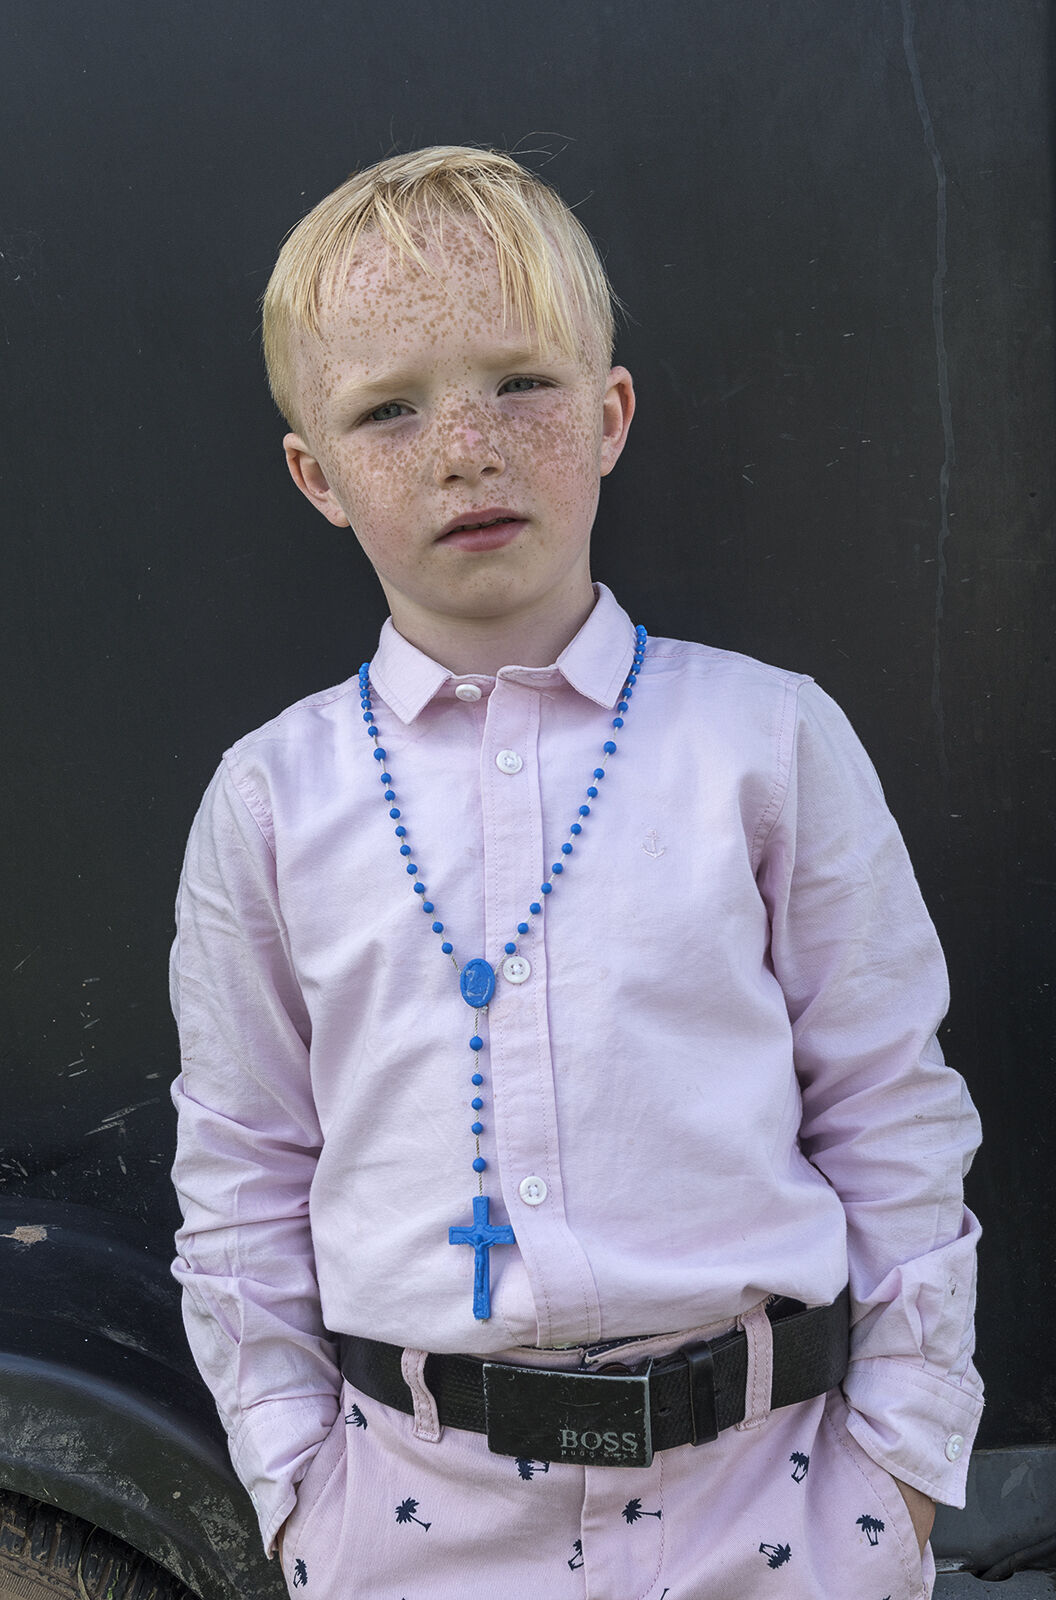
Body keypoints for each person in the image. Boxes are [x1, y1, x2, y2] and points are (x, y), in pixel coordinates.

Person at [169, 146, 983, 1599]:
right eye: (389, 410)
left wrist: (904, 1472)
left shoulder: (767, 742)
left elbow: (889, 1102)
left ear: (609, 416)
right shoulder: (270, 802)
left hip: (776, 1501)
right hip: (414, 1521)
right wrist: (297, 1490)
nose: (467, 448)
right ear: (319, 476)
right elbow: (242, 1164)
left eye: (520, 386)